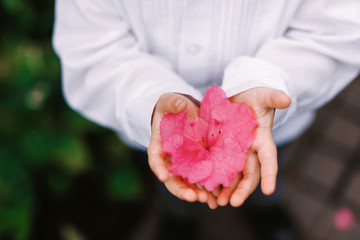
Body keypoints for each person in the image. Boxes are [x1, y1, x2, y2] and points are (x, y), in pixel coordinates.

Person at [53, 0, 360, 211]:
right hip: (158, 128)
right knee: (172, 186)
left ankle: (267, 210)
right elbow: (92, 49)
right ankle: (177, 217)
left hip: (273, 125)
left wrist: (268, 79)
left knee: (269, 177)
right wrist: (149, 95)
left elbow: (337, 27)